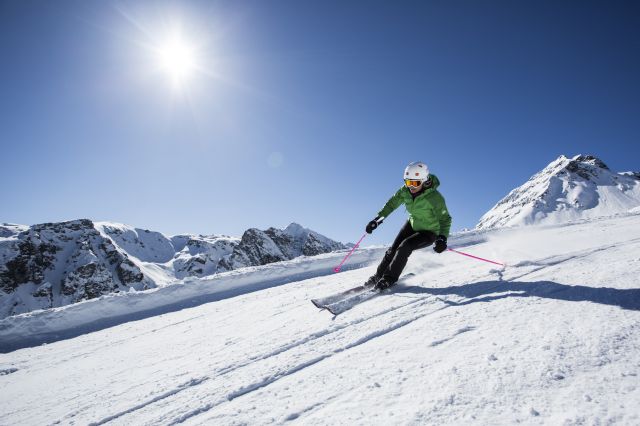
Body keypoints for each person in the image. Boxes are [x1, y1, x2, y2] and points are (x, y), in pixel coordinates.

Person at [365, 161, 452, 290]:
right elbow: (391, 205)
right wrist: (377, 219)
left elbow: (445, 219)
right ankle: (378, 276)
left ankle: (389, 279)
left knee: (405, 247)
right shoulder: (405, 191)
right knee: (392, 250)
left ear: (424, 180)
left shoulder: (434, 197)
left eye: (415, 183)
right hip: (412, 224)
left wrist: (442, 238)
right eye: (408, 182)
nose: (411, 186)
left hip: (430, 232)